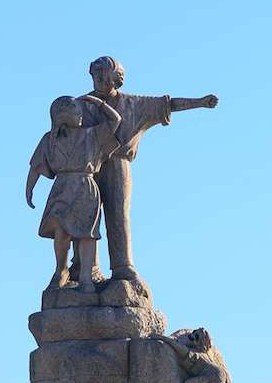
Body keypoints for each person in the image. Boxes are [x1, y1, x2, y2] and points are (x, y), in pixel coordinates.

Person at [72, 56, 219, 283]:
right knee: (84, 215)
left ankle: (122, 266)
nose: (100, 81)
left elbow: (167, 104)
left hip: (117, 163)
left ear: (116, 81)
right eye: (96, 76)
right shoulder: (80, 104)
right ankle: (84, 267)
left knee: (118, 214)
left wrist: (199, 102)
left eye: (105, 77)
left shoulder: (133, 104)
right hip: (86, 167)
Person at [25, 94, 121, 293]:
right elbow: (35, 167)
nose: (80, 115)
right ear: (62, 116)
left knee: (87, 233)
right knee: (61, 230)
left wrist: (97, 102)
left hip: (85, 185)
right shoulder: (49, 140)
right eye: (76, 111)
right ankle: (61, 269)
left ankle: (86, 277)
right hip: (62, 187)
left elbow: (116, 120)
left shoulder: (91, 135)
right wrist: (29, 189)